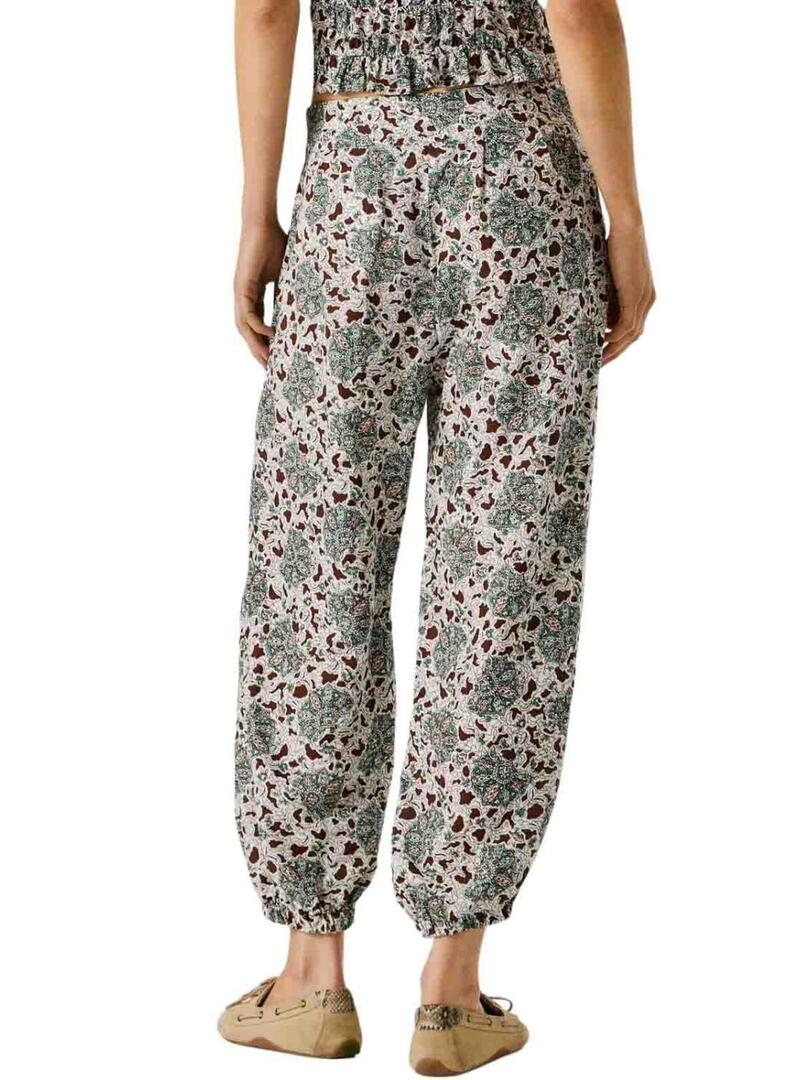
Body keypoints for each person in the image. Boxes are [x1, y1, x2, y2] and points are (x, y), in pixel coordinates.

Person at [220, 0, 655, 1072]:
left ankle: (310, 976)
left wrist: (259, 209)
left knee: (316, 561)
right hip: (522, 191)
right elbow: (576, 12)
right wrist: (627, 220)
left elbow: (267, 8)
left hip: (354, 187)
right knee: (504, 573)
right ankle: (451, 991)